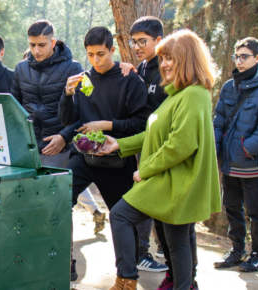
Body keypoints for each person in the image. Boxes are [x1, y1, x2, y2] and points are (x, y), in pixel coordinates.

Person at [99, 29, 221, 290]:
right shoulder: (176, 95)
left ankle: (128, 280)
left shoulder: (194, 94)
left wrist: (145, 170)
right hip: (170, 179)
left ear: (187, 58)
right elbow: (153, 135)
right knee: (177, 241)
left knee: (122, 215)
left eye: (170, 58)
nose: (163, 64)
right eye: (162, 58)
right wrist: (119, 144)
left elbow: (181, 144)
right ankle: (182, 284)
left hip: (177, 181)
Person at [59, 26, 151, 281]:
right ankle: (62, 264)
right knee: (57, 197)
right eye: (90, 54)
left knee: (122, 218)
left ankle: (127, 277)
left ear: (112, 50)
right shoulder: (84, 80)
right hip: (84, 158)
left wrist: (107, 125)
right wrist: (66, 95)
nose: (96, 60)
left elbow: (142, 122)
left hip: (117, 159)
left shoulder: (129, 79)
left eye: (101, 53)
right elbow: (69, 120)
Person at [213, 37, 258, 272]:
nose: (239, 62)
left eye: (244, 57)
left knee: (255, 211)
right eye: (236, 57)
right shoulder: (229, 86)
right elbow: (218, 121)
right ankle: (237, 251)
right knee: (231, 206)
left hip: (251, 163)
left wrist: (245, 149)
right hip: (229, 163)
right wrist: (216, 147)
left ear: (257, 58)